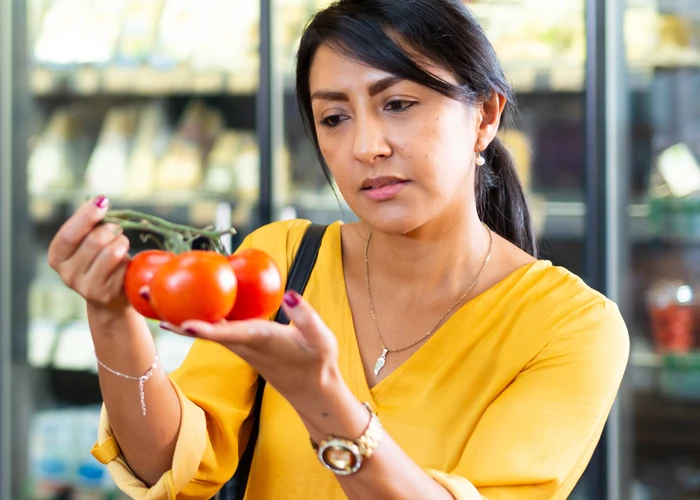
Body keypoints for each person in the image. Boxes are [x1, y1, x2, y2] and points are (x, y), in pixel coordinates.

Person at [48, 0, 629, 498]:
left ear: (484, 115)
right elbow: (168, 465)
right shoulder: (275, 261)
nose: (366, 146)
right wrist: (109, 315)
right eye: (334, 117)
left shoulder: (572, 327)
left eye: (398, 104)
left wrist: (319, 396)